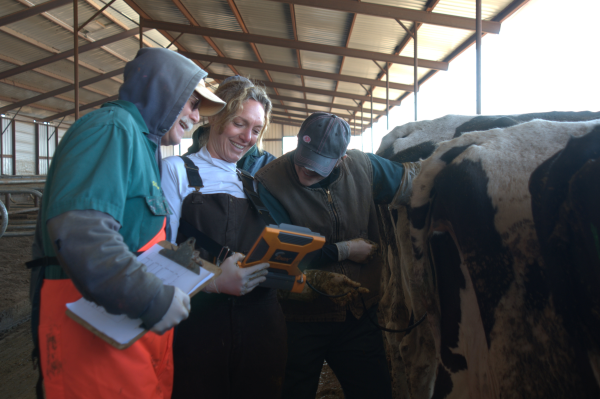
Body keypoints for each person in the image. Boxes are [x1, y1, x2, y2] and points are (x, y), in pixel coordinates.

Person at [28, 47, 229, 399]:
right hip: (91, 336)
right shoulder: (111, 129)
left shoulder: (142, 143)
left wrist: (209, 272)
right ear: (164, 91)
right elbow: (81, 233)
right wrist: (151, 297)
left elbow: (139, 239)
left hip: (124, 332)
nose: (197, 117)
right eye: (193, 103)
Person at [254, 112, 421, 399]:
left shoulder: (364, 167)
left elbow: (415, 181)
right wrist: (346, 250)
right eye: (303, 160)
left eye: (317, 167)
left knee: (374, 391)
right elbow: (283, 253)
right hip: (299, 317)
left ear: (343, 158)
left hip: (357, 312)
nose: (305, 171)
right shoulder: (269, 182)